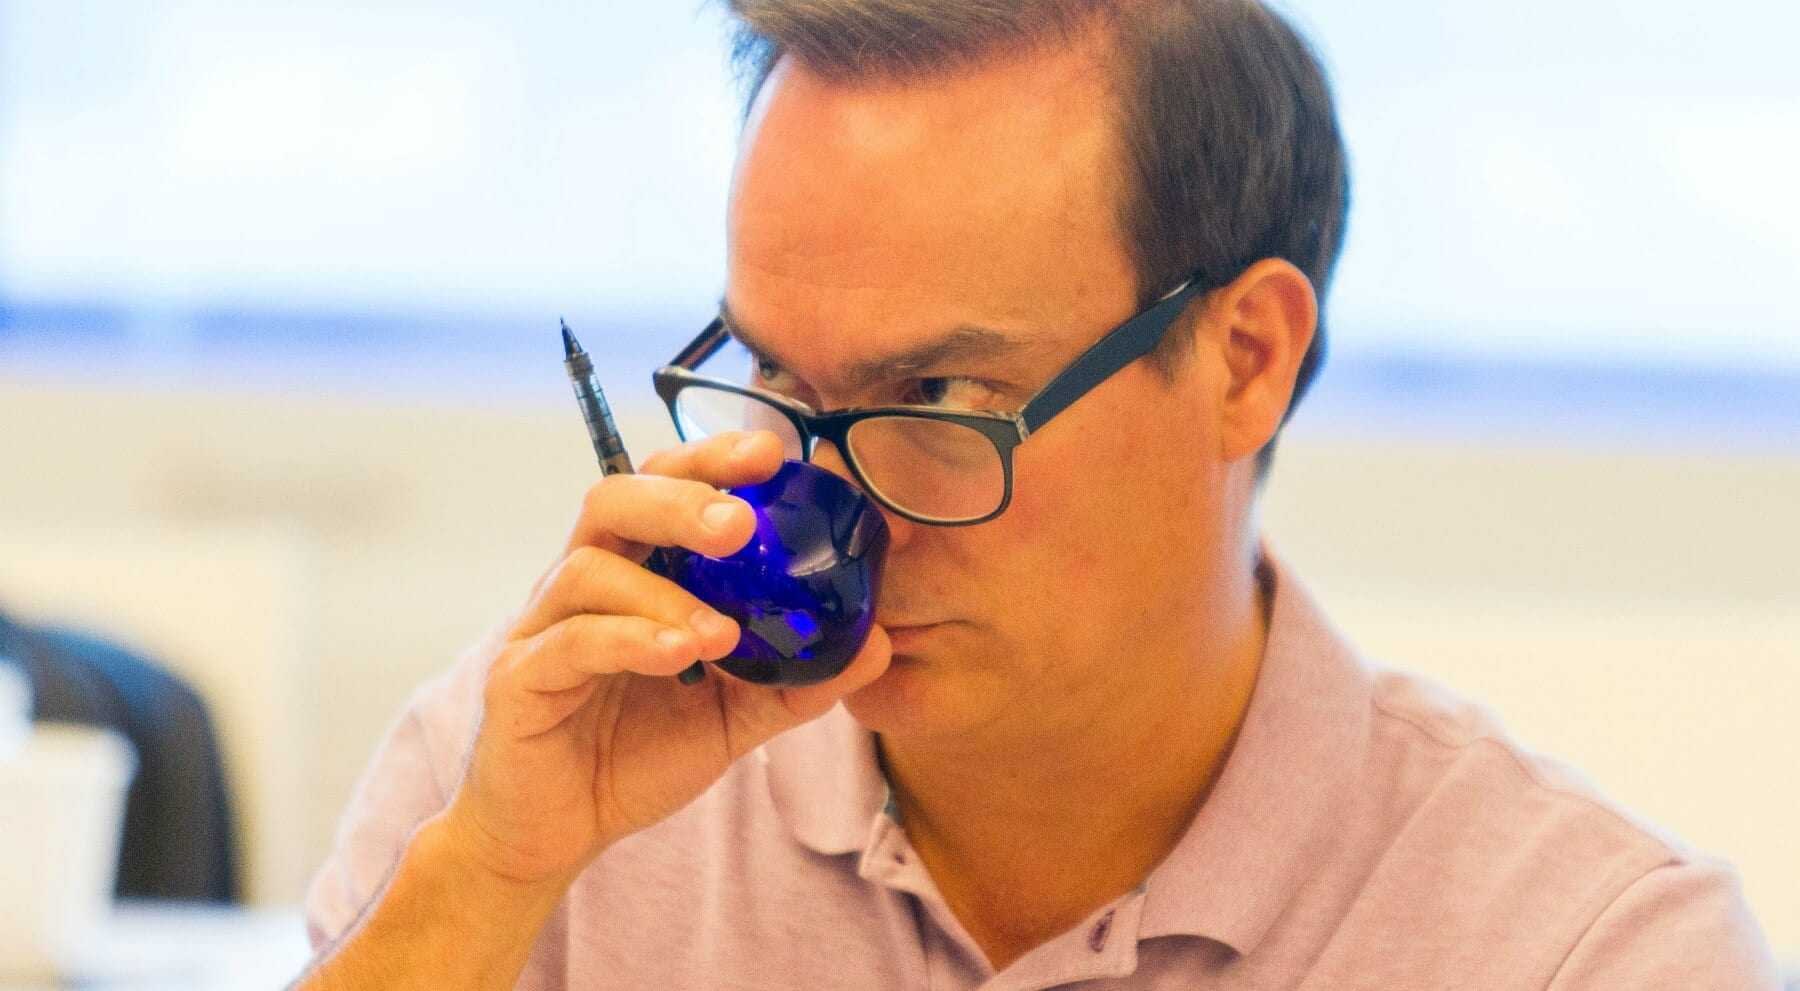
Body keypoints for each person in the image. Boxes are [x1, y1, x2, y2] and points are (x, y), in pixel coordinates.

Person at [296, 1, 1781, 987]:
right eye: (777, 378)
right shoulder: (530, 779)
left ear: (1244, 361)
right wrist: (489, 876)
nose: (826, 522)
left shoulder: (1587, 954)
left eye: (942, 400)